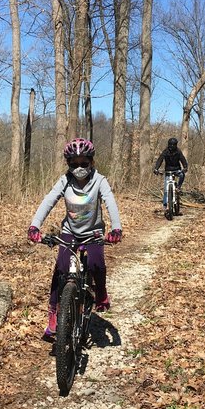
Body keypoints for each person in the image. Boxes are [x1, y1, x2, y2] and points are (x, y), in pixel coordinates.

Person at [27, 138, 123, 341]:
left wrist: (116, 228)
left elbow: (110, 202)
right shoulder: (65, 181)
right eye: (74, 163)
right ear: (68, 164)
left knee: (97, 263)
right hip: (70, 232)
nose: (79, 167)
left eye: (84, 163)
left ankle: (101, 292)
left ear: (91, 162)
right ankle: (54, 311)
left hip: (93, 232)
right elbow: (49, 200)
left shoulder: (100, 180)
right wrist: (35, 225)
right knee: (61, 268)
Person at [153, 137, 188, 208]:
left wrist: (185, 167)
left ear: (175, 145)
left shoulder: (178, 151)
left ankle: (178, 187)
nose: (172, 146)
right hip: (168, 170)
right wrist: (156, 168)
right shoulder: (165, 151)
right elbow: (160, 159)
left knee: (182, 175)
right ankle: (165, 204)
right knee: (166, 189)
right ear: (169, 144)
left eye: (173, 145)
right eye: (170, 144)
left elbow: (183, 159)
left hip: (177, 169)